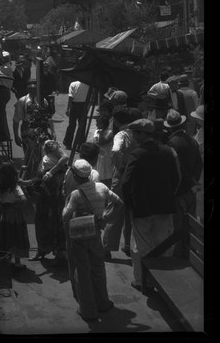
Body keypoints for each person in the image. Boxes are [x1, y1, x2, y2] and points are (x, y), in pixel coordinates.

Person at [122, 118, 180, 292]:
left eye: (134, 133)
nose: (132, 136)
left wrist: (130, 204)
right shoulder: (169, 151)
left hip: (142, 209)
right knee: (163, 244)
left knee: (141, 246)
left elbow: (126, 183)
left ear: (142, 134)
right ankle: (161, 281)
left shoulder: (137, 154)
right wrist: (169, 196)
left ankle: (142, 281)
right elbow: (177, 178)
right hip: (165, 207)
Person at [62, 159, 123, 322]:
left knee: (82, 272)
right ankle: (103, 303)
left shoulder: (75, 195)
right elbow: (119, 203)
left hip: (80, 236)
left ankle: (88, 310)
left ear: (75, 176)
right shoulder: (102, 187)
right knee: (98, 268)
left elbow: (65, 216)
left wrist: (65, 204)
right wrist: (107, 217)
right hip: (95, 233)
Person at [164, 109, 203, 258]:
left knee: (178, 225)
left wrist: (188, 180)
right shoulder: (192, 140)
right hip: (191, 190)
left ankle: (179, 256)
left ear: (169, 127)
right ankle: (188, 254)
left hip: (179, 191)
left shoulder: (171, 143)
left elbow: (178, 168)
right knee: (190, 224)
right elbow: (199, 164)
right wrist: (194, 181)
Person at [102, 106, 138, 259]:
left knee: (114, 212)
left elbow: (116, 151)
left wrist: (119, 167)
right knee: (131, 213)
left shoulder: (121, 135)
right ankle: (128, 245)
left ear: (116, 121)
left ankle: (106, 248)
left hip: (121, 177)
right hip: (135, 178)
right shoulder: (136, 134)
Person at [25, 140, 69, 263]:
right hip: (44, 193)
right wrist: (27, 182)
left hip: (55, 191)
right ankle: (42, 249)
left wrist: (51, 172)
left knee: (56, 219)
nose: (27, 144)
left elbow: (65, 157)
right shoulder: (34, 155)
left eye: (28, 140)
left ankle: (60, 252)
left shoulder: (49, 144)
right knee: (41, 219)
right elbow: (39, 176)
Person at [0, 161, 30, 270]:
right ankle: (17, 262)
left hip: (3, 214)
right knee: (17, 236)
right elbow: (24, 199)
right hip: (16, 215)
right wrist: (17, 205)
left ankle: (5, 261)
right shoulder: (15, 186)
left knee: (5, 235)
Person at [12, 79, 55, 178]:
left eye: (34, 88)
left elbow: (48, 117)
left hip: (41, 129)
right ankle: (28, 177)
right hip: (27, 130)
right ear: (27, 88)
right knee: (29, 156)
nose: (32, 90)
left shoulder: (42, 101)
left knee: (41, 155)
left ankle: (38, 177)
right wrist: (16, 135)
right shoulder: (22, 101)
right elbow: (16, 120)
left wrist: (53, 131)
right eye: (30, 88)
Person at [63, 80, 90, 151]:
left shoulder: (73, 84)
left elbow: (71, 97)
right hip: (84, 106)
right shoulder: (88, 85)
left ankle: (68, 144)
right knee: (82, 126)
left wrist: (68, 108)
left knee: (72, 125)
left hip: (74, 106)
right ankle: (80, 145)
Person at [0, 51, 14, 140]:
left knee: (1, 113)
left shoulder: (6, 67)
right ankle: (1, 131)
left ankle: (4, 134)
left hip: (3, 90)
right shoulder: (4, 66)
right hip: (2, 90)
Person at [92, 115, 114, 188]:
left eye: (99, 123)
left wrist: (101, 134)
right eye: (97, 123)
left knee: (106, 175)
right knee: (98, 174)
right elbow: (95, 142)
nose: (97, 125)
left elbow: (101, 142)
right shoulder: (97, 131)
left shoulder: (109, 132)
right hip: (98, 156)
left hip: (106, 157)